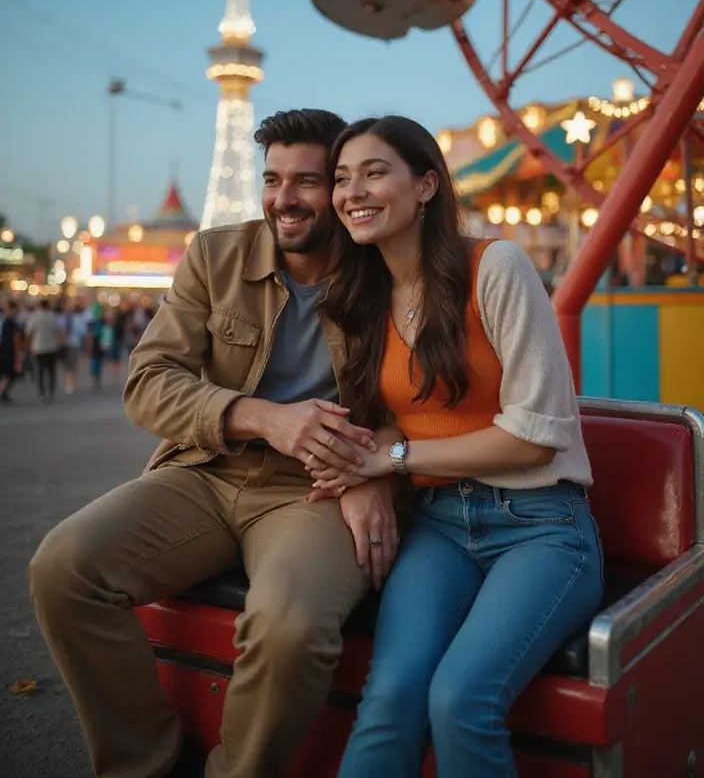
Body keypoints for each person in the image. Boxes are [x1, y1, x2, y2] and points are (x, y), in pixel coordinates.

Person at [29, 109, 402, 778]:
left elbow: (427, 398)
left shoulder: (387, 268)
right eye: (272, 179)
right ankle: (150, 763)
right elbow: (147, 382)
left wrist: (378, 472)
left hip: (318, 490)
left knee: (289, 629)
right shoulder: (216, 253)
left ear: (341, 188)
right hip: (208, 469)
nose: (284, 199)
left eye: (308, 182)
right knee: (63, 569)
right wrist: (259, 416)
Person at [310, 115, 603, 778]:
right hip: (439, 527)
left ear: (426, 185)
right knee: (390, 698)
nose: (353, 190)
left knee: (461, 698)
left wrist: (392, 461)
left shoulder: (493, 266)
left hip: (540, 526)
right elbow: (387, 419)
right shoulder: (364, 298)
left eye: (374, 172)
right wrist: (362, 467)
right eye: (341, 178)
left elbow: (537, 434)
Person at [25, 298, 64, 403]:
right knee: (51, 372)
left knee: (39, 372)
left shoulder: (35, 317)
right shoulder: (53, 317)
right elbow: (59, 332)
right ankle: (51, 392)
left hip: (38, 348)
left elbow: (29, 333)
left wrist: (28, 346)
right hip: (52, 347)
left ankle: (41, 393)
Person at [0, 298, 23, 403]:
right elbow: (16, 339)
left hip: (4, 349)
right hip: (9, 351)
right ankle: (2, 392)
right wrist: (18, 354)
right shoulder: (11, 323)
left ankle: (4, 392)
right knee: (10, 374)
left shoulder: (5, 321)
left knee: (6, 374)